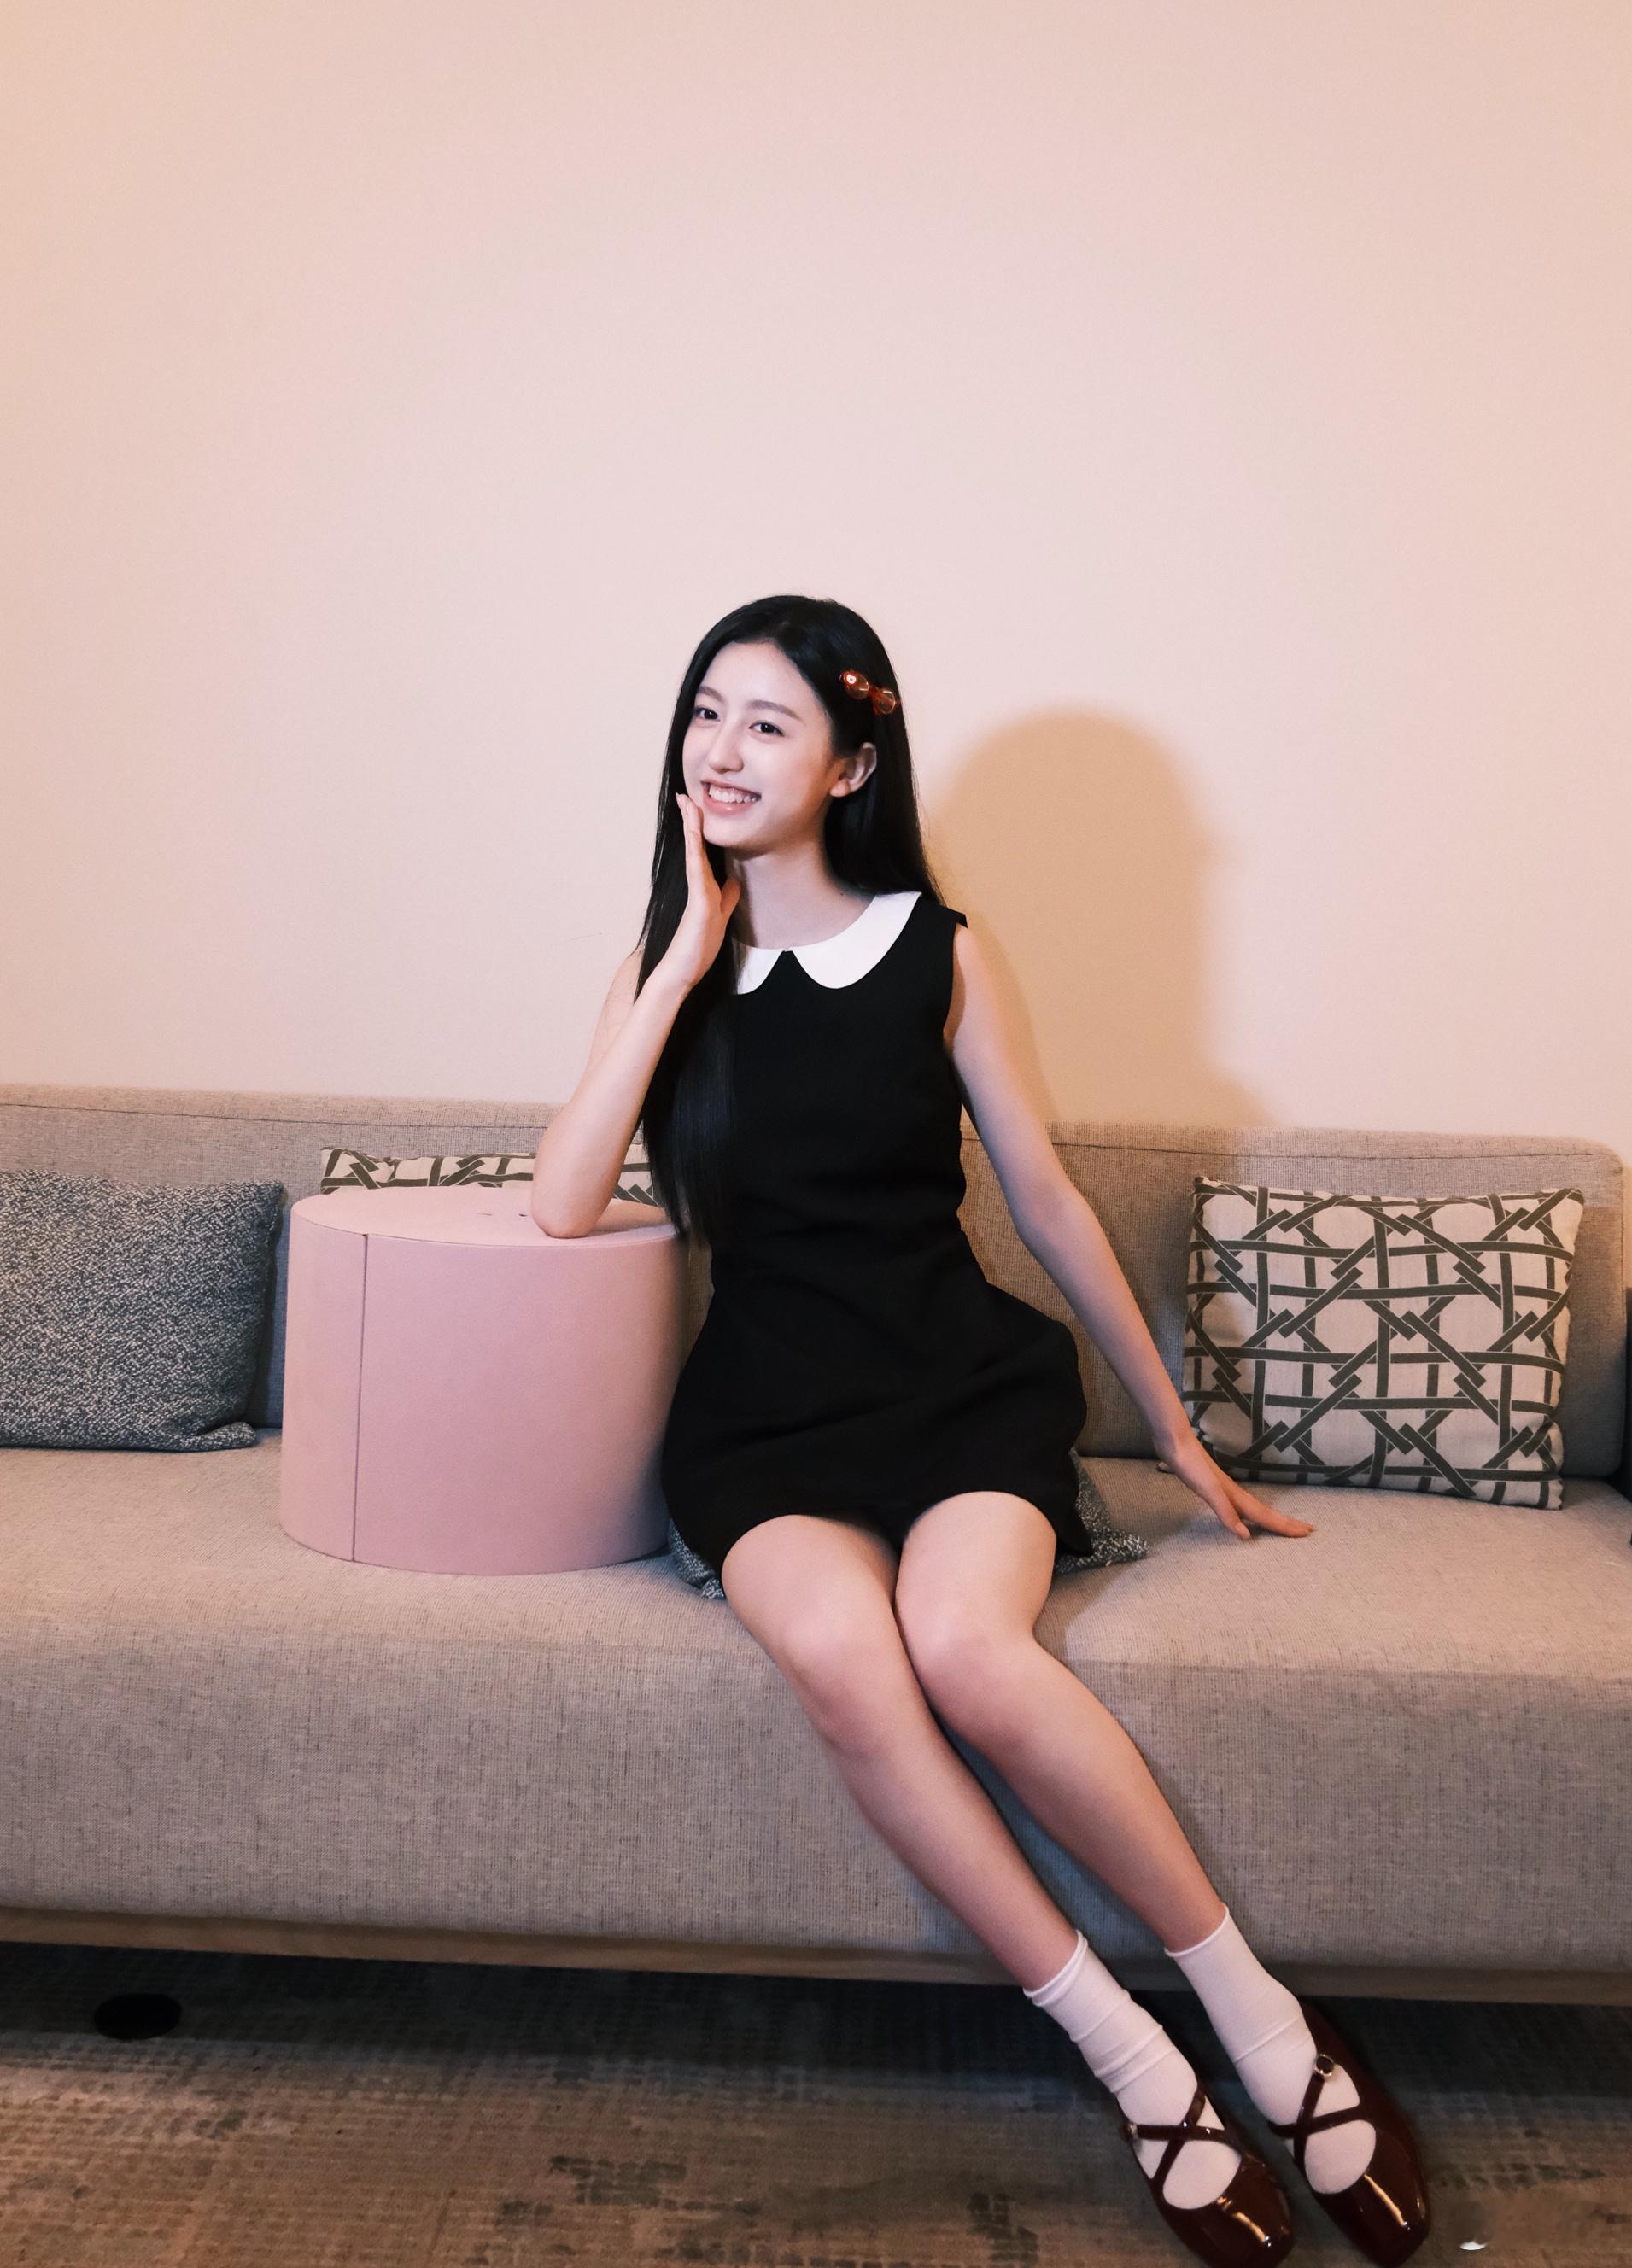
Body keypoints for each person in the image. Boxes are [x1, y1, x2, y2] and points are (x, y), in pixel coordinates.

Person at [531, 595, 1430, 2268]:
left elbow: (1048, 1198)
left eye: (768, 723)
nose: (721, 750)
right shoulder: (668, 975)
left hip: (952, 1387)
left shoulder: (941, 948)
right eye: (706, 712)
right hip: (764, 1424)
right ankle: (1137, 2063)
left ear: (850, 763)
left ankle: (1268, 2023)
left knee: (965, 1646)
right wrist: (677, 964)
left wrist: (1175, 1429)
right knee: (848, 1663)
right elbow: (562, 1201)